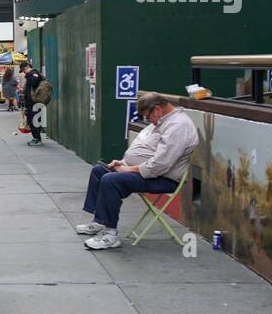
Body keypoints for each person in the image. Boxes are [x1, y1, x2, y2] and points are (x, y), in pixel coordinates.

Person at [77, 92, 199, 250]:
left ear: (156, 109)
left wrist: (127, 169)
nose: (148, 121)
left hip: (162, 178)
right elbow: (146, 149)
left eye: (147, 117)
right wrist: (122, 163)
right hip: (145, 172)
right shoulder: (162, 121)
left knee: (111, 180)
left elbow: (160, 165)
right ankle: (99, 221)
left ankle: (110, 235)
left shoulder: (178, 126)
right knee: (99, 171)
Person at [22, 62, 46, 145]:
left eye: (23, 69)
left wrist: (28, 74)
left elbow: (34, 82)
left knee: (34, 120)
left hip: (34, 102)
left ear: (27, 67)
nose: (24, 72)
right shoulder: (31, 74)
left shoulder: (34, 73)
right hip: (31, 102)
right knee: (32, 120)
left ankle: (37, 139)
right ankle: (36, 138)